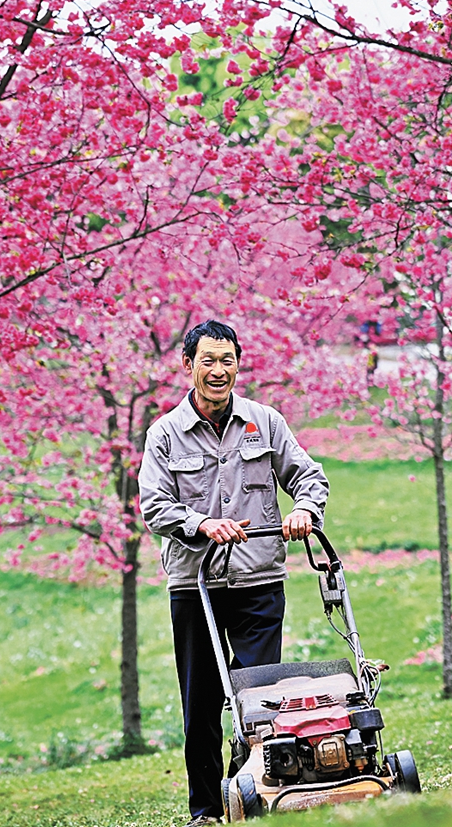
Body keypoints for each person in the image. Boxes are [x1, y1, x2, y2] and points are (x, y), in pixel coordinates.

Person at [138, 319, 329, 827]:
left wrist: (304, 509)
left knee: (259, 700)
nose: (219, 370)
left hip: (258, 580)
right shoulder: (165, 434)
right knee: (200, 705)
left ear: (238, 364)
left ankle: (247, 798)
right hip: (194, 585)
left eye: (227, 361)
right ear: (188, 365)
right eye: (208, 361)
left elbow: (309, 476)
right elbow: (154, 505)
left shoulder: (265, 422)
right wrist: (201, 523)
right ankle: (205, 810)